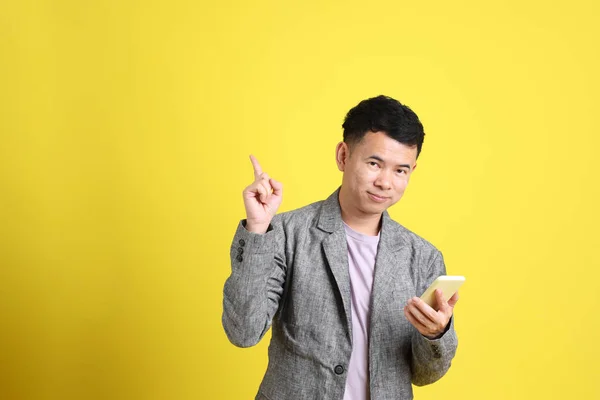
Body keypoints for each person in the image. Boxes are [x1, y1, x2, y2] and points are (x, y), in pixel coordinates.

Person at [222, 95, 460, 400]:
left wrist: (435, 334)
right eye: (374, 163)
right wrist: (256, 230)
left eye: (400, 170)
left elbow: (425, 374)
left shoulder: (423, 257)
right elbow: (242, 331)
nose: (385, 182)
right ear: (343, 156)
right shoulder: (284, 233)